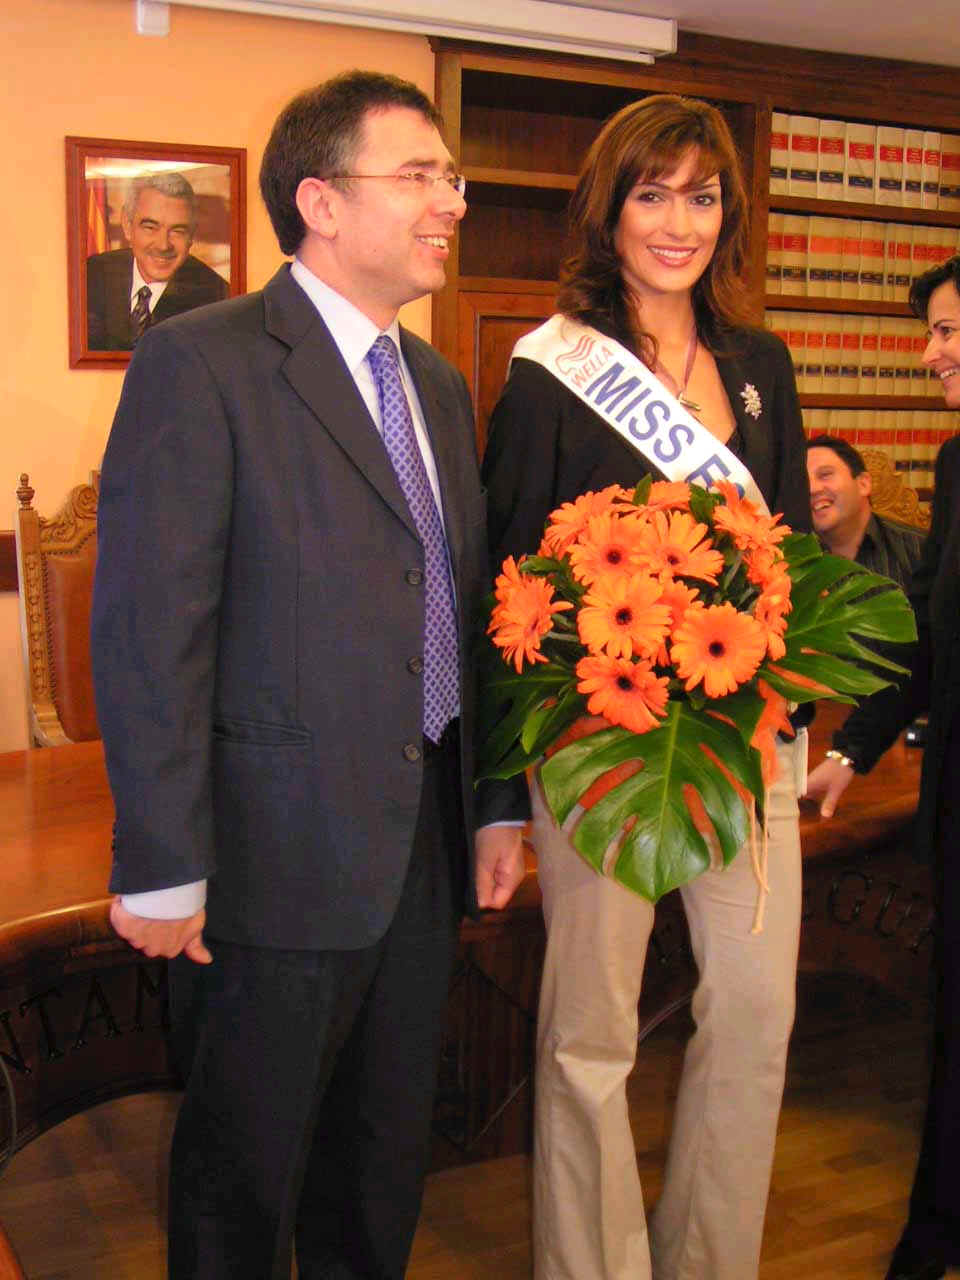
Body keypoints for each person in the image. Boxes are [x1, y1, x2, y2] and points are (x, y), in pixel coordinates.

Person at [91, 70, 525, 1280]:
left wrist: (493, 799)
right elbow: (151, 628)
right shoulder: (203, 361)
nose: (452, 201)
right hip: (266, 858)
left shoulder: (437, 383)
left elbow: (462, 605)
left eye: (452, 176)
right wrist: (161, 858)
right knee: (242, 1185)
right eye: (420, 175)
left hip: (420, 850)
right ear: (322, 202)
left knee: (379, 1173)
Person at [482, 93, 810, 1280]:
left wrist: (796, 706)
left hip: (743, 739)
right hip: (601, 744)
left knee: (756, 1014)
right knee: (591, 1035)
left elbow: (788, 555)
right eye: (653, 194)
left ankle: (710, 1261)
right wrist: (499, 797)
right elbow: (507, 587)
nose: (679, 223)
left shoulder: (761, 363)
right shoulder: (551, 372)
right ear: (608, 210)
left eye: (703, 196)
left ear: (730, 213)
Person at [807, 254, 960, 1280]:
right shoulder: (956, 461)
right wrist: (851, 751)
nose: (930, 353)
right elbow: (930, 636)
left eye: (947, 330)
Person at [86, 171, 229, 350]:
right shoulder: (91, 274)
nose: (163, 245)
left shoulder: (217, 300)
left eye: (178, 231)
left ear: (191, 235)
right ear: (127, 225)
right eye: (150, 227)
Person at [806, 434, 924, 586]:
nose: (812, 489)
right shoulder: (791, 557)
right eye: (804, 481)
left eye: (825, 475)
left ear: (863, 484)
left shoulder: (919, 551)